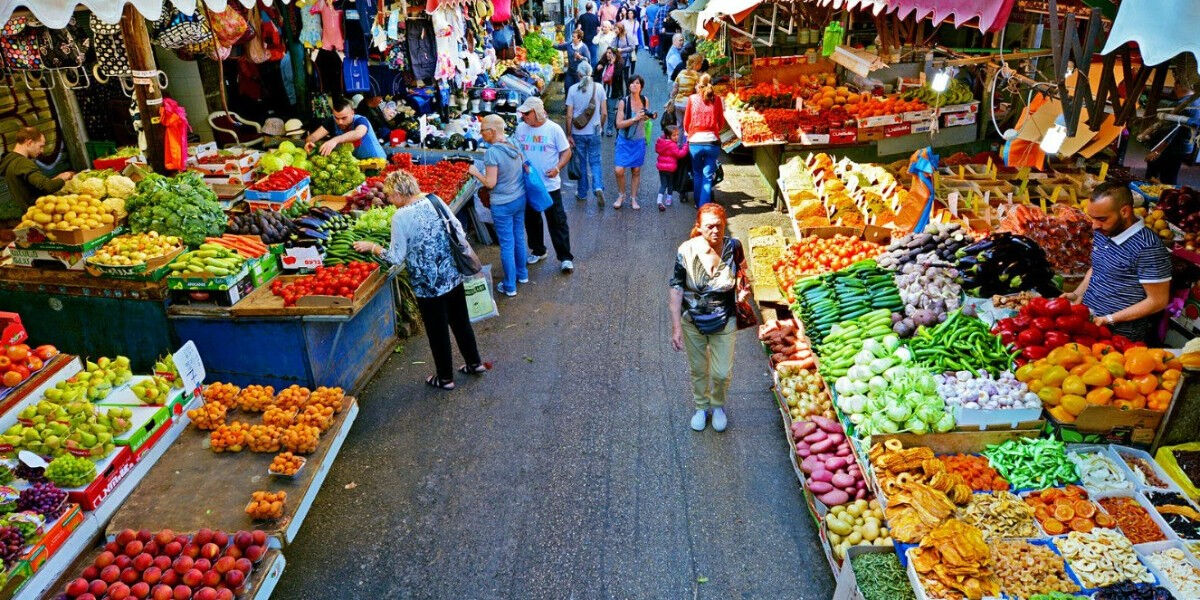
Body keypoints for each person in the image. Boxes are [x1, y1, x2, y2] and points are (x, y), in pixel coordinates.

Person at [351, 170, 487, 391]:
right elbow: (458, 230)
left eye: (390, 196)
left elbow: (395, 257)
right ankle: (475, 363)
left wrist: (373, 247)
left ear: (398, 193)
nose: (389, 200)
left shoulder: (401, 216)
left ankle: (445, 378)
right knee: (461, 321)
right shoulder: (435, 199)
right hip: (451, 275)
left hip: (427, 286)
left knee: (437, 330)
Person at [669, 204, 749, 432]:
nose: (715, 230)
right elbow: (676, 287)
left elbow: (743, 271)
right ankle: (701, 407)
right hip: (692, 320)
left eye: (719, 226)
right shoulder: (686, 250)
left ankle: (718, 405)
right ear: (699, 227)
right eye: (709, 226)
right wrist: (676, 328)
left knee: (721, 372)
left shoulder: (733, 246)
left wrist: (744, 288)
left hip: (725, 318)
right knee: (698, 368)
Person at [1063, 184, 1172, 344]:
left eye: (1101, 219)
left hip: (1121, 337)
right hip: (1089, 325)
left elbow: (1157, 301)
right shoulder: (1105, 231)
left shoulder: (1148, 248)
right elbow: (1098, 268)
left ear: (1125, 212)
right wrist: (1077, 294)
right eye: (1092, 218)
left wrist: (1109, 319)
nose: (1094, 225)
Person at [468, 115, 529, 297]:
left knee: (507, 244)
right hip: (519, 198)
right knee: (519, 236)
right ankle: (522, 274)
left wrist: (475, 172)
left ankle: (510, 285)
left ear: (492, 131)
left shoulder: (492, 153)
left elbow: (490, 183)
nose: (481, 134)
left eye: (483, 130)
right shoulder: (514, 143)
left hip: (502, 204)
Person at [512, 97, 575, 274]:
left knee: (557, 221)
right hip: (529, 184)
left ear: (537, 112)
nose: (523, 116)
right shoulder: (520, 128)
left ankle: (565, 257)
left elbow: (566, 152)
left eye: (527, 113)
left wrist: (557, 168)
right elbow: (517, 150)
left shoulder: (553, 129)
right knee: (531, 220)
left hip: (549, 185)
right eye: (522, 113)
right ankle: (538, 250)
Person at [0, 127, 72, 222]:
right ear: (29, 142)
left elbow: (32, 188)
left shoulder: (10, 160)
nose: (42, 150)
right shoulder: (22, 163)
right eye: (41, 146)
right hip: (36, 217)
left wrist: (56, 179)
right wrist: (63, 178)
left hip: (27, 216)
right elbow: (48, 187)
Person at [565, 62, 607, 207]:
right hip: (594, 130)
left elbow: (569, 115)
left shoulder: (572, 89)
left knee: (581, 162)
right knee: (595, 161)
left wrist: (569, 134)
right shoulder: (599, 88)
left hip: (578, 132)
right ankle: (598, 187)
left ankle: (582, 192)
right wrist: (600, 127)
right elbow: (604, 113)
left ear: (578, 74)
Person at [683, 73, 725, 208]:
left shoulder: (692, 99)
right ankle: (704, 205)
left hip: (695, 142)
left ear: (697, 85)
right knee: (708, 176)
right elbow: (721, 123)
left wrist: (689, 133)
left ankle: (697, 203)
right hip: (712, 142)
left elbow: (686, 122)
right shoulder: (717, 100)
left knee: (697, 173)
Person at [1145, 81, 1199, 185]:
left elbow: (1170, 132)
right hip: (1183, 147)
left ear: (1179, 85)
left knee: (1153, 176)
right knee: (1170, 176)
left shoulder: (1182, 105)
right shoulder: (1196, 100)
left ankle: (1151, 197)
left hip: (1170, 148)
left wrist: (1156, 151)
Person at [613, 75, 652, 210]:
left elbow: (645, 119)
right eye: (632, 83)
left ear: (641, 86)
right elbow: (618, 124)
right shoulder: (623, 102)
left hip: (638, 140)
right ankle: (621, 195)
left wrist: (648, 116)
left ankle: (633, 198)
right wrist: (635, 119)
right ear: (628, 86)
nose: (634, 85)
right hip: (624, 140)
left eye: (637, 83)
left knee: (636, 170)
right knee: (619, 170)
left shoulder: (644, 100)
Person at [304, 96, 387, 160]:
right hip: (358, 164)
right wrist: (309, 142)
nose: (340, 122)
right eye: (336, 118)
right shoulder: (331, 120)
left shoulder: (361, 120)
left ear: (352, 113)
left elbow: (358, 133)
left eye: (344, 118)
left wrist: (335, 140)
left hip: (377, 161)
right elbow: (314, 136)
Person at [666, 53, 703, 143]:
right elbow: (699, 91)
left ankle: (679, 145)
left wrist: (671, 99)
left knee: (680, 125)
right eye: (701, 63)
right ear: (697, 64)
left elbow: (675, 89)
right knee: (689, 126)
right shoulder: (696, 76)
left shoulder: (681, 73)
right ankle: (687, 146)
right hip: (688, 104)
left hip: (678, 103)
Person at [655, 122, 688, 211]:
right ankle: (668, 199)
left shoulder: (661, 142)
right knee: (670, 184)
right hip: (670, 169)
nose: (677, 137)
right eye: (674, 135)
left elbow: (657, 150)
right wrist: (685, 146)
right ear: (669, 136)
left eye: (677, 135)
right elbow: (680, 154)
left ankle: (659, 200)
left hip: (661, 168)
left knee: (663, 184)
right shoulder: (672, 145)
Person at [597, 47, 627, 136]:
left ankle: (609, 129)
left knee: (610, 111)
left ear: (614, 54)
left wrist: (612, 64)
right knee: (600, 111)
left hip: (612, 92)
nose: (608, 54)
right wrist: (598, 67)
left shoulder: (619, 64)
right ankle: (600, 128)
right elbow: (596, 72)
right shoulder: (603, 62)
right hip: (601, 91)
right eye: (607, 53)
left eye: (610, 53)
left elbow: (617, 76)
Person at [618, 9, 640, 75]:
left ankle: (632, 73)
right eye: (629, 13)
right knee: (625, 57)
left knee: (633, 58)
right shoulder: (624, 22)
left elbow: (637, 33)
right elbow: (620, 29)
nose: (630, 14)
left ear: (634, 14)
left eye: (631, 13)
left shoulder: (637, 23)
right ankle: (626, 72)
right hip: (626, 42)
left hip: (635, 42)